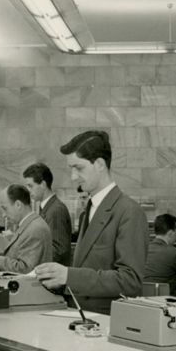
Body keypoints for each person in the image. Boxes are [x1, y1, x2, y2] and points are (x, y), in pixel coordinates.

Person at [36, 130, 147, 314]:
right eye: (71, 169)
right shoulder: (89, 209)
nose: (73, 177)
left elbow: (130, 281)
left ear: (100, 164)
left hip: (107, 322)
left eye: (78, 168)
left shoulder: (129, 211)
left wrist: (69, 276)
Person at [0, 184, 52, 273]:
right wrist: (1, 254)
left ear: (18, 205)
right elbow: (21, 256)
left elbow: (25, 268)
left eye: (5, 209)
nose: (3, 215)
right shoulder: (28, 224)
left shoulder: (35, 229)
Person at [23, 162, 72, 266]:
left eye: (30, 186)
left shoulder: (56, 210)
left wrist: (31, 261)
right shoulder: (47, 208)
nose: (28, 191)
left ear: (43, 184)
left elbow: (58, 250)